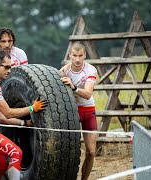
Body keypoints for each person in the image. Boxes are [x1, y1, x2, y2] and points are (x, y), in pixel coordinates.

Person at [0, 49, 47, 180]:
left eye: (10, 67)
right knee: (16, 153)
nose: (10, 70)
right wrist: (32, 108)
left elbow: (1, 118)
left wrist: (25, 123)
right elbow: (8, 112)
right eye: (7, 67)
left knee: (1, 166)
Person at [59, 42, 98, 180]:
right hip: (72, 112)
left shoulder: (91, 70)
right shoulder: (64, 71)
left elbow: (88, 94)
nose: (77, 59)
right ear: (70, 55)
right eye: (74, 55)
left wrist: (74, 87)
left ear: (84, 55)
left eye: (80, 55)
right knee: (69, 151)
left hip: (88, 111)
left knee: (91, 152)